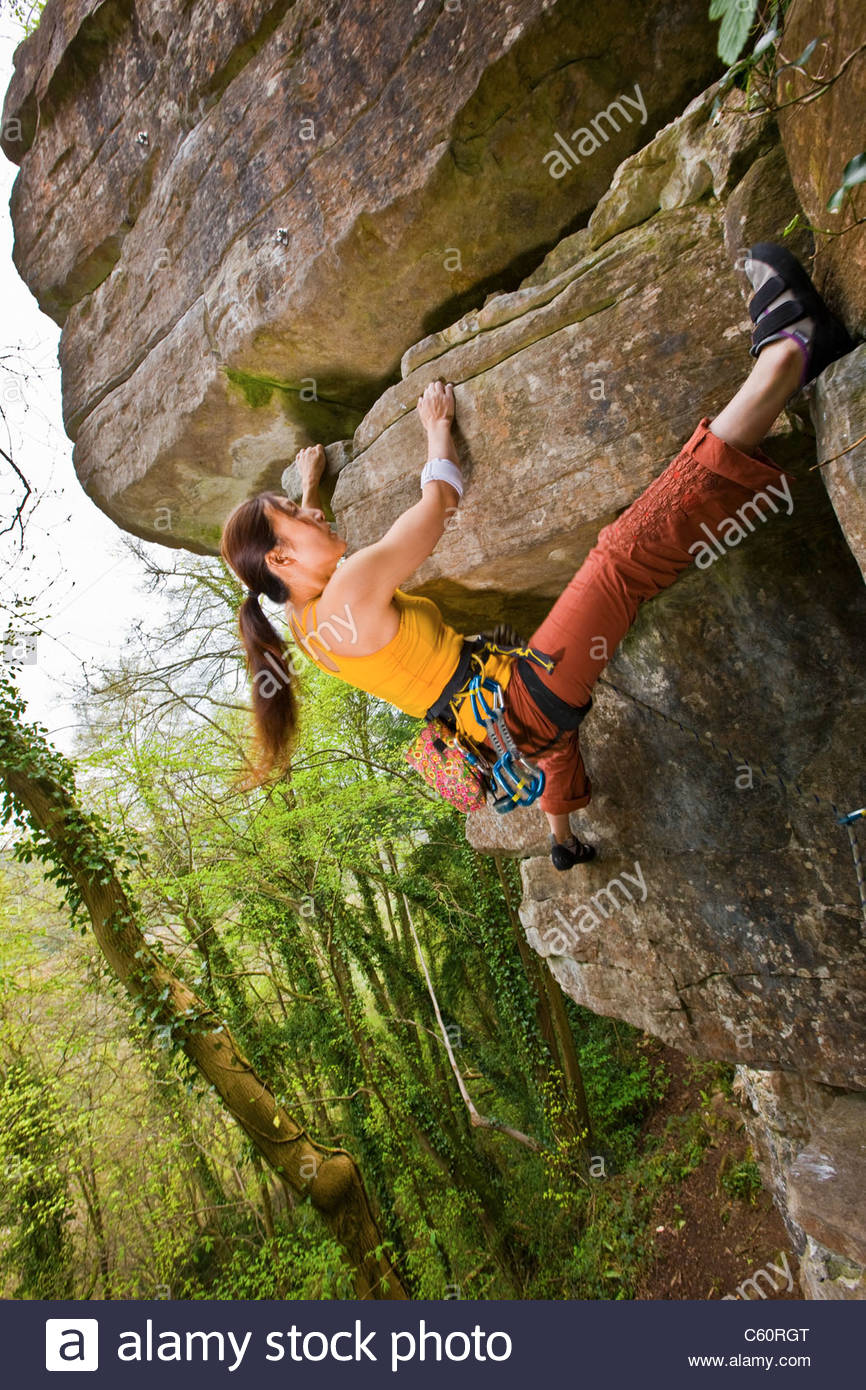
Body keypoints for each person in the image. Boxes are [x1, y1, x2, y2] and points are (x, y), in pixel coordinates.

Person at [219, 243, 854, 871]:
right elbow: (438, 504)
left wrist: (306, 485)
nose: (315, 514)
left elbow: (306, 561)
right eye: (297, 519)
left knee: (554, 740)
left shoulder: (301, 627)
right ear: (278, 560)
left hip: (491, 729)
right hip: (516, 696)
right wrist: (437, 429)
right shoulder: (353, 583)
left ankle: (562, 838)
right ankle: (787, 359)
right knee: (619, 562)